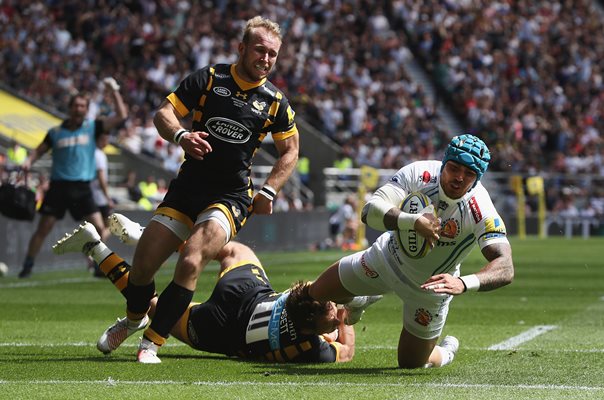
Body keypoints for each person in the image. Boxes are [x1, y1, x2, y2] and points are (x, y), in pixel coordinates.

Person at [102, 16, 300, 363]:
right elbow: (164, 113)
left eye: (273, 54)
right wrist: (181, 135)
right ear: (241, 48)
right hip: (187, 189)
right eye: (260, 50)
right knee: (143, 268)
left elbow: (291, 150)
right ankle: (135, 319)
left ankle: (151, 343)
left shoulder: (275, 102)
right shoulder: (209, 79)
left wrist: (269, 190)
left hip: (231, 197)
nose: (266, 59)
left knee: (192, 259)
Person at [307, 134, 515, 369]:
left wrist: (464, 283)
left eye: (469, 174)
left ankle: (445, 353)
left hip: (429, 289)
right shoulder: (420, 173)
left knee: (410, 364)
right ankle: (360, 299)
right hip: (384, 259)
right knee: (315, 294)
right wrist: (413, 221)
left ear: (477, 179)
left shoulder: (481, 207)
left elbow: (505, 266)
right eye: (454, 168)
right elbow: (369, 211)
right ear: (444, 163)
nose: (459, 178)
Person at [51, 217, 355, 363]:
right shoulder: (312, 349)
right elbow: (348, 351)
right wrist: (348, 317)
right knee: (155, 306)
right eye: (332, 312)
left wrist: (336, 310)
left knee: (231, 249)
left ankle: (156, 238)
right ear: (309, 327)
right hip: (222, 331)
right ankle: (93, 246)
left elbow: (319, 297)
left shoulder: (305, 296)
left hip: (249, 292)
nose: (336, 311)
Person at [18, 77, 128, 278]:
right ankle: (27, 265)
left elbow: (121, 115)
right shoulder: (55, 132)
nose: (79, 109)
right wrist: (28, 161)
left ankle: (98, 266)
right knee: (44, 228)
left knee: (100, 228)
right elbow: (38, 151)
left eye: (83, 106)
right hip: (58, 187)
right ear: (70, 108)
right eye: (76, 105)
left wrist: (114, 91)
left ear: (86, 110)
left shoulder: (93, 127)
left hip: (82, 188)